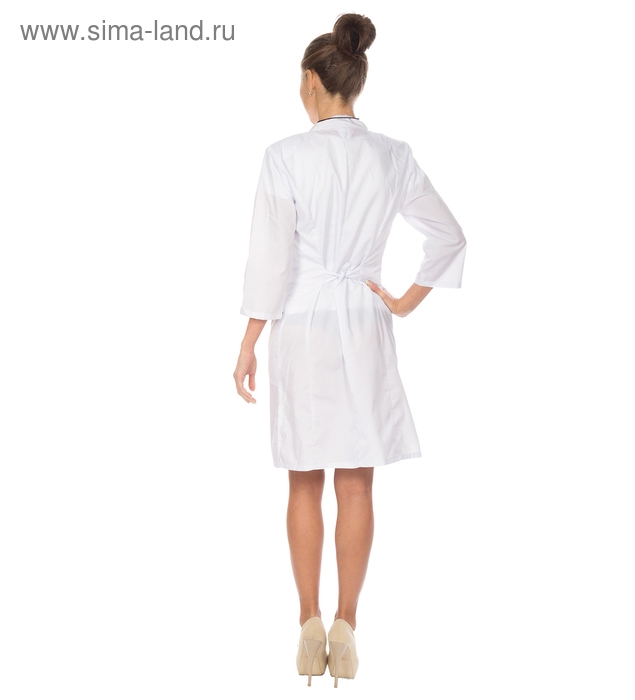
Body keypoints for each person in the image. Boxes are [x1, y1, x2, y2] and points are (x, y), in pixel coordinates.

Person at [233, 13, 466, 687]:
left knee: (304, 478)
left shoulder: (284, 155)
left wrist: (248, 342)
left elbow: (270, 260)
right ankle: (347, 622)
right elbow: (449, 235)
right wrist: (403, 301)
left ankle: (307, 620)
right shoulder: (393, 155)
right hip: (364, 319)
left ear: (312, 81)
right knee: (357, 479)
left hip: (303, 322)